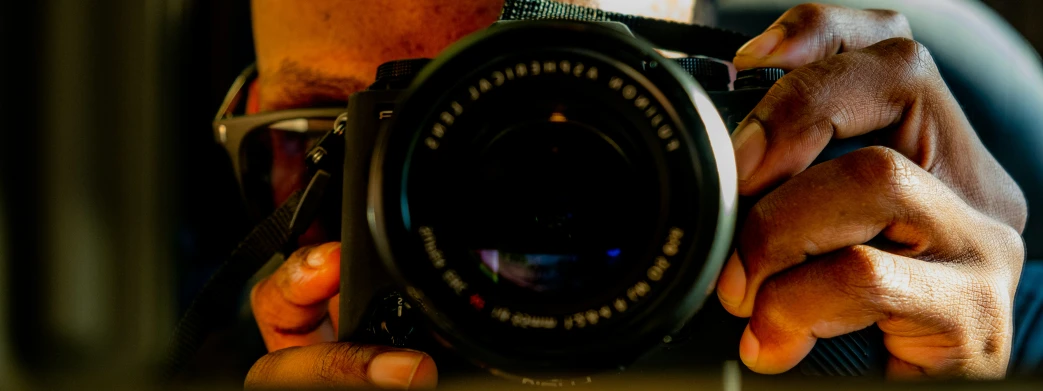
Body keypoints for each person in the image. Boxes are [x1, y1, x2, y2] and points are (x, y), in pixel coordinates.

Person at [234, 0, 1030, 388]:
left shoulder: (909, 290)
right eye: (325, 141)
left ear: (722, 131)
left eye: (571, 146)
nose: (496, 231)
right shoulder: (196, 317)